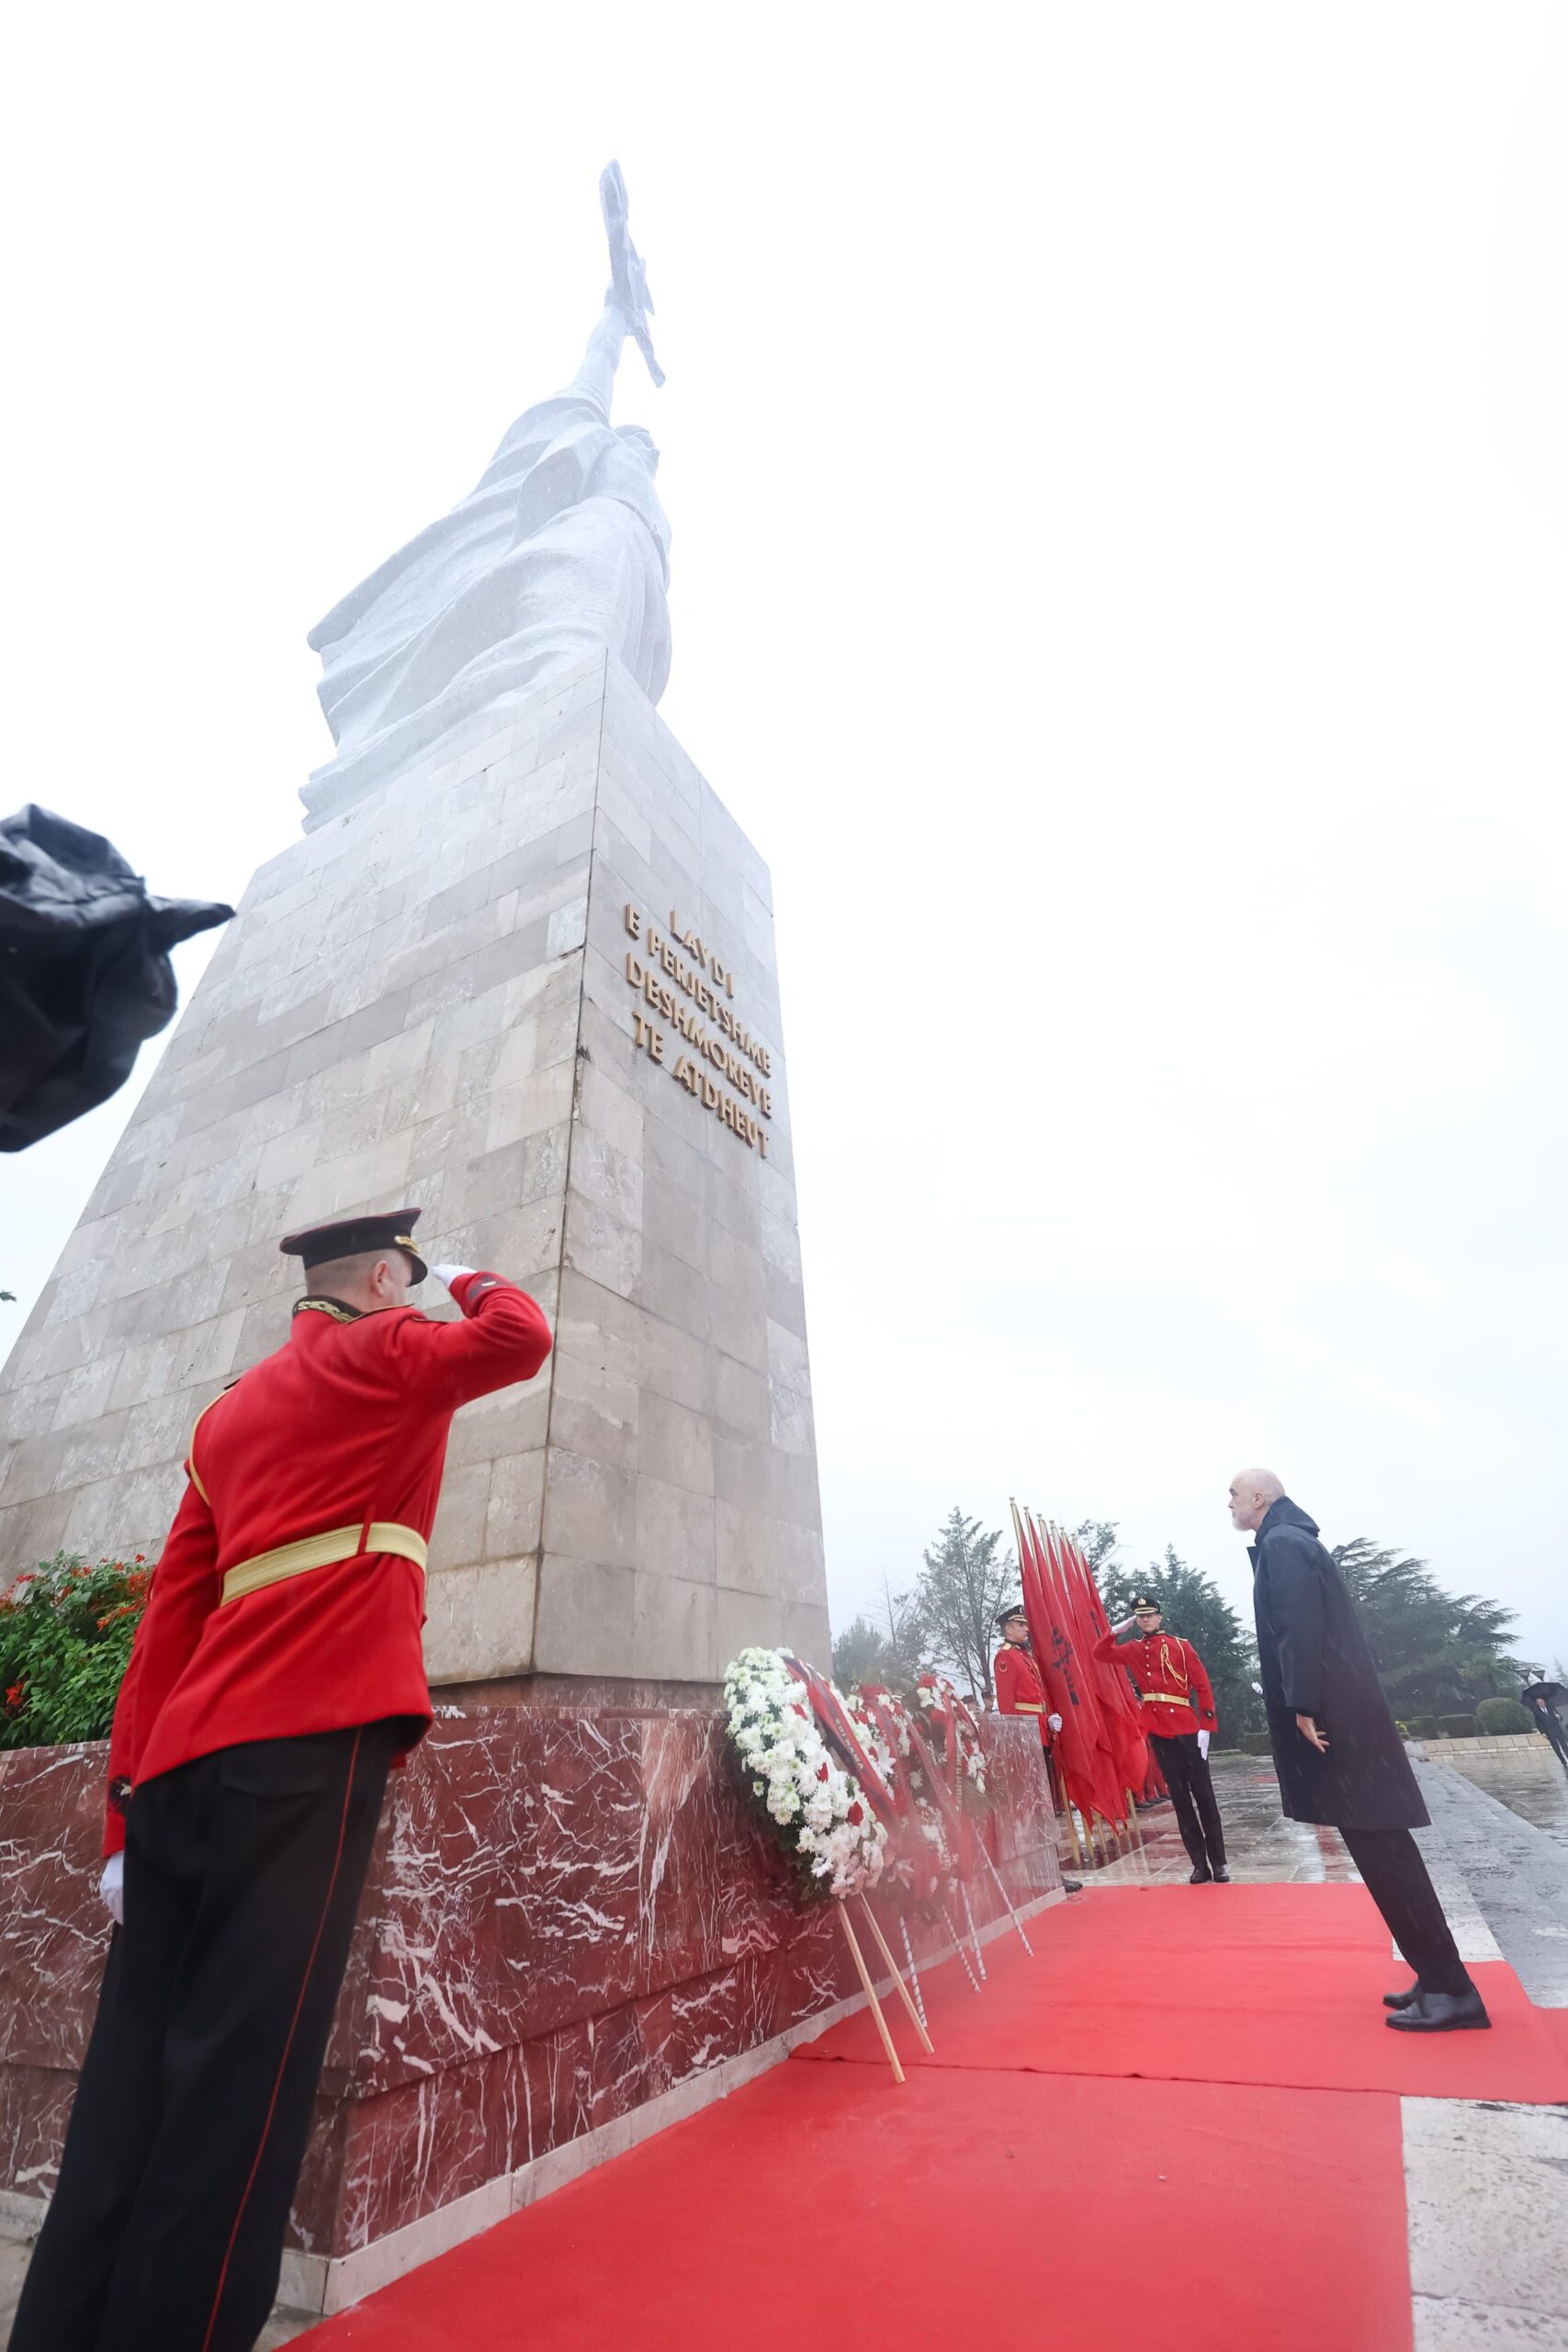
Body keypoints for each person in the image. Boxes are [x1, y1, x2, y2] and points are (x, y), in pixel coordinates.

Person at [11, 1209, 553, 2352]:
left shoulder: (225, 1416)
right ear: (372, 1276)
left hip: (176, 1774)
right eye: (400, 1281)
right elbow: (519, 1333)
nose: (413, 1299)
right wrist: (452, 1273)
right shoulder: (391, 1349)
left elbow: (166, 1625)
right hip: (304, 1750)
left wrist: (119, 1819)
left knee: (128, 2079)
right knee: (238, 2094)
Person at [1230, 1467, 1489, 2033]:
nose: (1227, 1504)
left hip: (1335, 1721)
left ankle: (1451, 1989)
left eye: (1233, 1494)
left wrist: (1301, 1703)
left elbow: (1299, 1627)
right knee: (1382, 1852)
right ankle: (1437, 1973)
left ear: (1258, 1497)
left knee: (1385, 1854)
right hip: (1341, 1715)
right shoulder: (1290, 1540)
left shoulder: (1283, 1543)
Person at [1095, 1595, 1230, 1883]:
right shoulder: (1132, 1649)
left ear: (1159, 1617)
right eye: (1140, 1616)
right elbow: (1100, 1653)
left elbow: (1202, 1685)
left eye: (1150, 1615)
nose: (1145, 1620)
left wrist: (1206, 1725)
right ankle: (1199, 1864)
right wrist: (1116, 1630)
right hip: (1159, 1730)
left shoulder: (1181, 1646)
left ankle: (1218, 1863)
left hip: (1186, 1728)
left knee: (1204, 1796)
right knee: (1180, 1800)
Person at [992, 1603, 1079, 1893]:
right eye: (1021, 1625)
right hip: (1025, 1741)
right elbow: (1007, 1706)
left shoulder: (1023, 1657)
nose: (1026, 1629)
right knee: (1034, 1811)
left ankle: (1049, 1871)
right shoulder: (1005, 1658)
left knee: (1045, 1808)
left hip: (1038, 1735)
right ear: (1008, 1628)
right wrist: (1017, 1743)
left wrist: (1047, 1720)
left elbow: (1035, 1700)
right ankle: (1041, 1873)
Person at [1522, 1682, 1568, 1771]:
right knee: (1556, 1748)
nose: (1543, 1703)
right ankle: (1563, 1762)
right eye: (1540, 1702)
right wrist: (1542, 1732)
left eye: (1543, 1702)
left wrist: (1558, 1717)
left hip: (1557, 1730)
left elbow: (1560, 1717)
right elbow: (1538, 1723)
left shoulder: (1551, 1709)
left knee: (1564, 1746)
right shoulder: (1537, 1713)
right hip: (1549, 1732)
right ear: (1538, 1704)